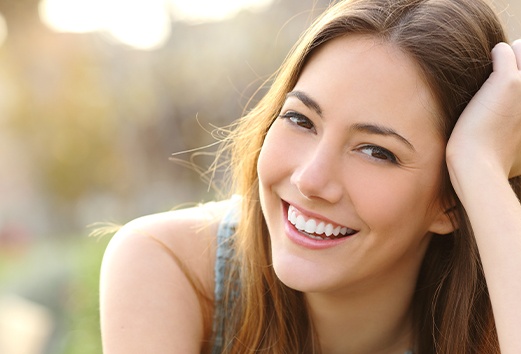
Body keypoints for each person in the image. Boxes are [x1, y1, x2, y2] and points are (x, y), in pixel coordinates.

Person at [99, 0, 521, 352]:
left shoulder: (498, 309)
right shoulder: (171, 267)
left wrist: (482, 169)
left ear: (451, 201)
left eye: (376, 151)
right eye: (301, 120)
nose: (310, 179)